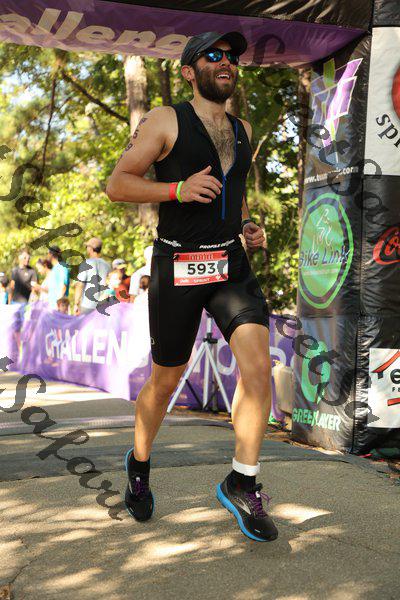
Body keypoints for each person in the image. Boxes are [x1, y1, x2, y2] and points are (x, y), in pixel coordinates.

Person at [106, 31, 277, 542]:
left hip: (229, 265)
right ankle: (139, 464)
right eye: (214, 55)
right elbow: (118, 184)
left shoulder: (243, 129)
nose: (227, 62)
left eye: (232, 57)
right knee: (165, 381)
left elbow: (234, 192)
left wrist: (247, 225)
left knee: (258, 368)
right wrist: (177, 189)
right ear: (189, 71)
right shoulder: (165, 120)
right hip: (178, 263)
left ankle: (241, 481)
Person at [74, 237, 111, 315]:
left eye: (87, 246)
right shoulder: (107, 265)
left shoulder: (86, 264)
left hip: (87, 305)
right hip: (103, 305)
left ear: (91, 249)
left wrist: (76, 303)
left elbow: (80, 285)